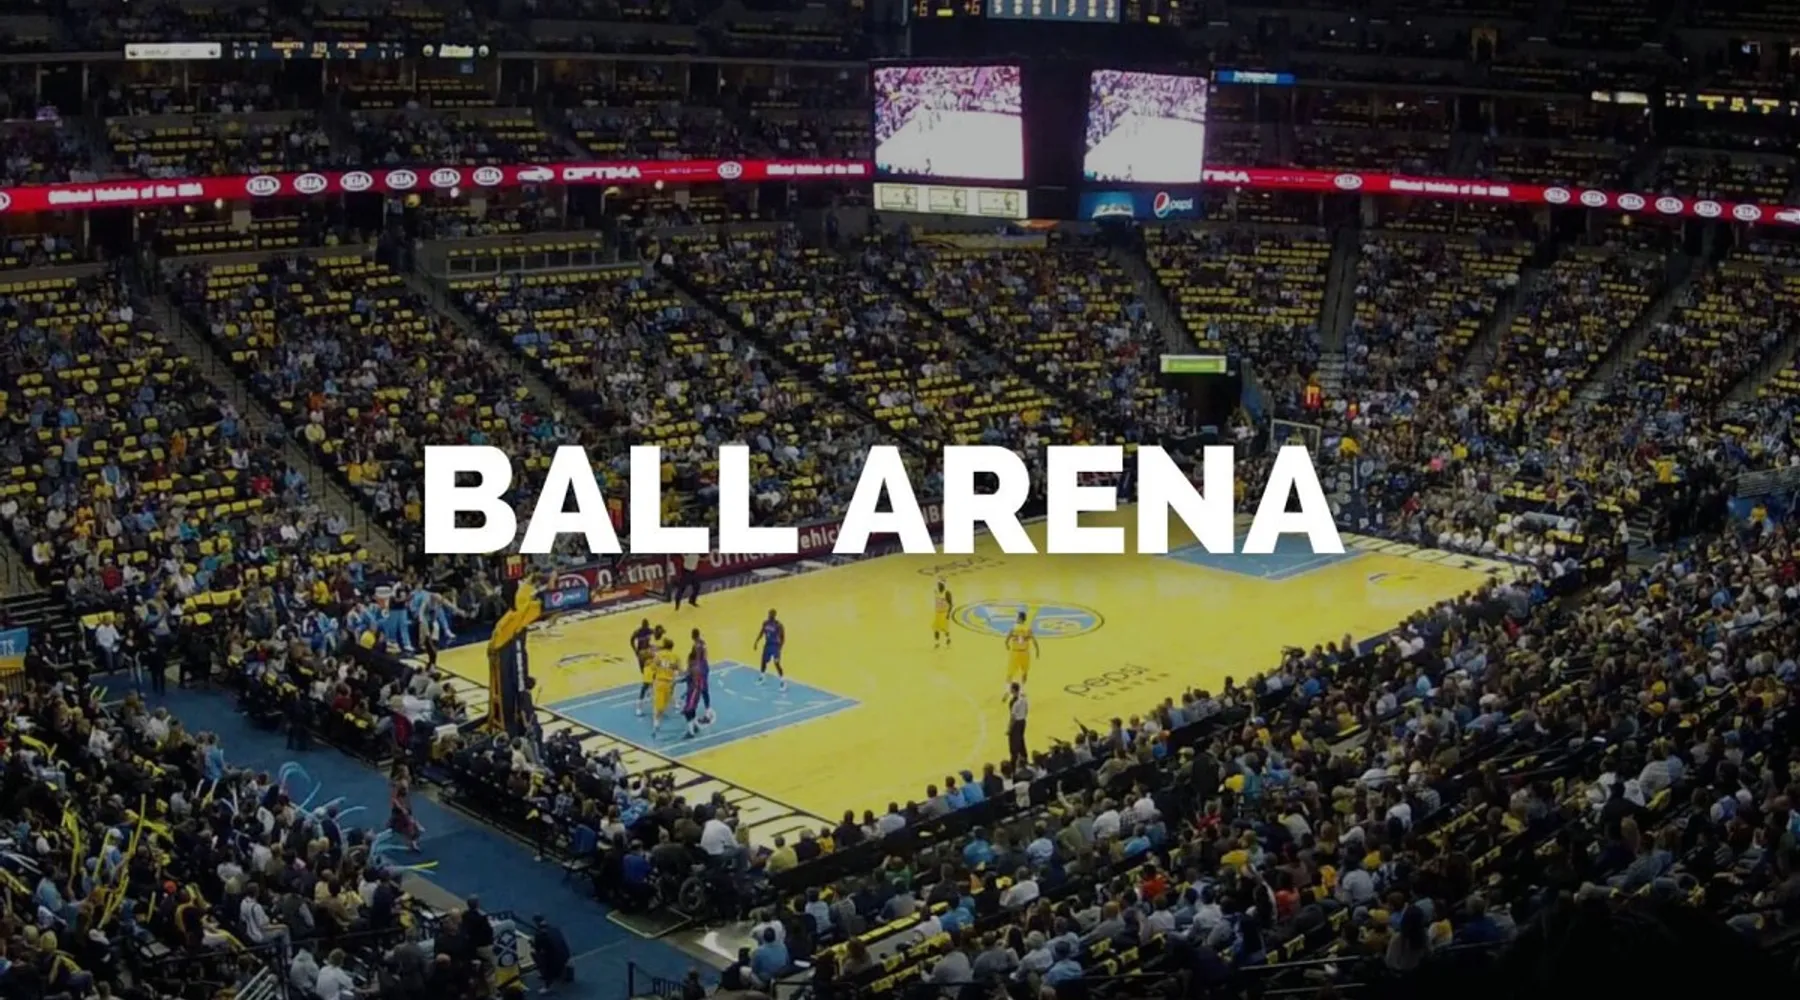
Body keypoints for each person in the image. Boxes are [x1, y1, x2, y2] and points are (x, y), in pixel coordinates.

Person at [682, 629, 713, 738]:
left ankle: (706, 715)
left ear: (692, 635)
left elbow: (697, 657)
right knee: (704, 691)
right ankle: (706, 713)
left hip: (700, 669)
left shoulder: (696, 646)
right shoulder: (703, 642)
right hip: (704, 666)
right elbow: (705, 655)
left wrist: (692, 669)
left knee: (701, 690)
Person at [530, 916, 570, 994]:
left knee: (536, 955)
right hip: (565, 955)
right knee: (550, 955)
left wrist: (532, 943)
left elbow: (538, 949)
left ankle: (547, 985)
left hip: (555, 960)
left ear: (536, 923)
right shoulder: (555, 929)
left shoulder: (539, 935)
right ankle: (558, 972)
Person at [1004, 610, 1039, 694]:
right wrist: (1037, 650)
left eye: (1017, 617)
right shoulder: (1028, 629)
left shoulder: (1014, 628)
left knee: (1010, 671)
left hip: (1015, 653)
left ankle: (1007, 689)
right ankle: (1022, 689)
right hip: (1025, 653)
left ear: (1020, 618)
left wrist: (1007, 646)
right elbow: (1034, 641)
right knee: (1025, 672)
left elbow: (1007, 640)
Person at [650, 640, 680, 735]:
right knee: (663, 706)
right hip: (669, 684)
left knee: (658, 704)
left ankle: (656, 721)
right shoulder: (676, 656)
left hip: (659, 682)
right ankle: (656, 723)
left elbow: (652, 667)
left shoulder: (658, 655)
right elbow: (679, 670)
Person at [634, 623, 663, 718]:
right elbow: (643, 658)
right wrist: (651, 654)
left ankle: (658, 705)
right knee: (645, 686)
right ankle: (639, 707)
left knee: (658, 685)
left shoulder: (652, 646)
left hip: (655, 668)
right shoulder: (643, 652)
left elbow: (658, 650)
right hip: (648, 669)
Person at [753, 609, 786, 689]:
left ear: (774, 615)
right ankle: (762, 677)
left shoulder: (779, 625)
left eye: (771, 614)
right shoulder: (765, 623)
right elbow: (761, 633)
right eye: (769, 614)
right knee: (763, 661)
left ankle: (782, 681)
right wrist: (756, 642)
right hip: (767, 645)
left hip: (775, 646)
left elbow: (783, 637)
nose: (769, 616)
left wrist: (780, 648)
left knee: (776, 663)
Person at [1006, 682, 1028, 765]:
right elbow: (1026, 710)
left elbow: (1013, 717)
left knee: (1013, 744)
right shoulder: (1024, 698)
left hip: (1016, 724)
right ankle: (1024, 757)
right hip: (1023, 721)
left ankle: (1014, 762)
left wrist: (1009, 728)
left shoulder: (1014, 702)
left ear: (1013, 690)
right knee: (1021, 740)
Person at [932, 579, 953, 649]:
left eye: (940, 585)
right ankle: (937, 642)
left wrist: (948, 614)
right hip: (937, 613)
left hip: (944, 613)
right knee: (936, 629)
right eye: (938, 585)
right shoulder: (936, 591)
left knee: (945, 630)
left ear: (944, 585)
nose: (939, 586)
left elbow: (951, 604)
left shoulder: (947, 593)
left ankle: (948, 639)